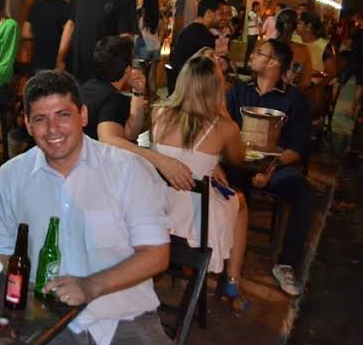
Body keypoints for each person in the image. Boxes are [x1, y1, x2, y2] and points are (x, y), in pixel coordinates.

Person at [0, 70, 175, 345]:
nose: (53, 129)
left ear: (83, 115)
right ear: (28, 125)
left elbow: (156, 254)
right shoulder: (12, 176)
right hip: (44, 318)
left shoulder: (127, 169)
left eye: (63, 115)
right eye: (40, 119)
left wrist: (90, 286)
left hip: (124, 316)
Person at [151, 53, 250, 310]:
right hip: (193, 222)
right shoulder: (225, 127)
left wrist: (210, 163)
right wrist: (223, 111)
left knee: (212, 198)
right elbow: (238, 159)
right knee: (239, 202)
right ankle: (233, 281)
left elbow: (178, 151)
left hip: (155, 214)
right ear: (216, 88)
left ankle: (185, 270)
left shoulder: (158, 112)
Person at [226, 40, 315, 296]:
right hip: (237, 164)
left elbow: (295, 150)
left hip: (275, 168)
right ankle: (222, 252)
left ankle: (285, 264)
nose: (252, 55)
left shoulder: (294, 100)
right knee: (221, 181)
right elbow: (222, 131)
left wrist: (268, 169)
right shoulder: (239, 92)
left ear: (274, 63)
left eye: (259, 53)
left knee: (305, 194)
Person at [80, 36, 195, 192]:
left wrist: (138, 93)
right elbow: (109, 139)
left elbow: (130, 133)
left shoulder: (87, 88)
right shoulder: (113, 99)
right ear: (127, 68)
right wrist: (161, 160)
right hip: (100, 181)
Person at [168, 0, 223, 95]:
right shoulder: (206, 36)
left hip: (179, 85)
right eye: (220, 14)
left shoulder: (187, 30)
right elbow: (208, 72)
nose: (222, 18)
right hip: (192, 90)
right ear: (209, 13)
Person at [22, 0, 73, 71]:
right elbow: (69, 36)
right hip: (56, 65)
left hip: (36, 62)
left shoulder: (35, 5)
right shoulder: (65, 7)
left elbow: (25, 32)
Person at [275, 9, 313, 93]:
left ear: (276, 25)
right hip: (290, 96)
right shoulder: (303, 50)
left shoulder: (264, 47)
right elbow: (306, 82)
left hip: (265, 96)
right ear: (295, 27)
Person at [243, 1, 261, 71]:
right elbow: (256, 22)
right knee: (249, 49)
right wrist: (258, 25)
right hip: (251, 33)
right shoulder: (251, 13)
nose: (259, 8)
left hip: (255, 33)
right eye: (258, 6)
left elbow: (260, 22)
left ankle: (249, 64)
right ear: (255, 6)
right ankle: (245, 64)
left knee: (252, 49)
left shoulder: (257, 14)